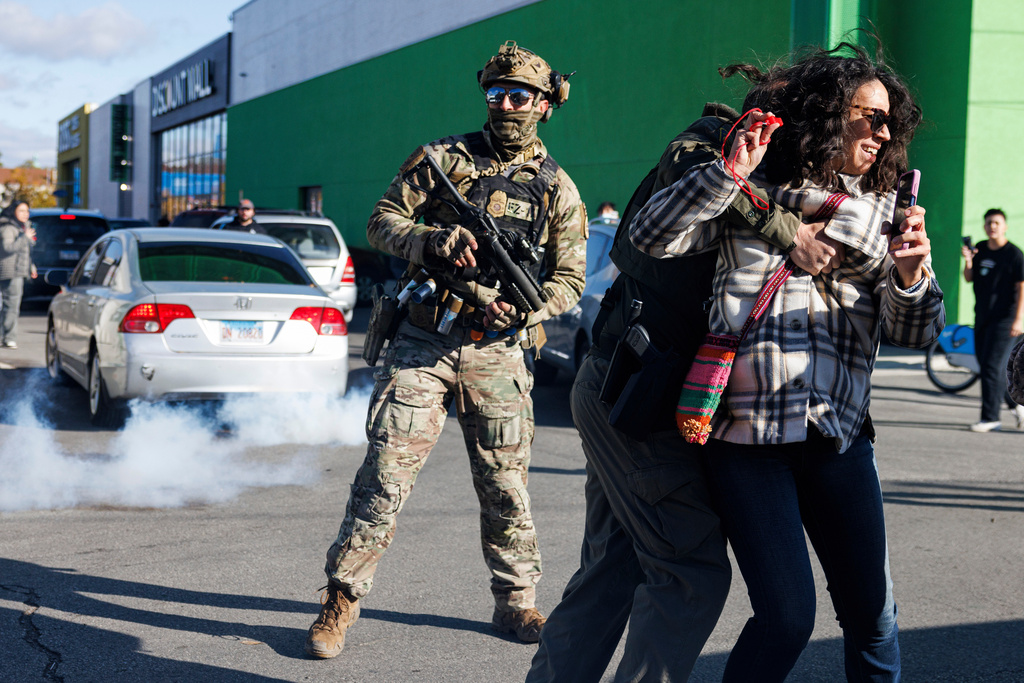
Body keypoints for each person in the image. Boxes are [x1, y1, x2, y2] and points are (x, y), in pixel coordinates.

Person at [628, 43, 943, 682]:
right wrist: (726, 174)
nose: (884, 134)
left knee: (872, 617)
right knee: (787, 618)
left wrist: (910, 275)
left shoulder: (886, 210)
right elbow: (650, 236)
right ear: (827, 113)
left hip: (839, 438)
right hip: (748, 443)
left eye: (890, 122)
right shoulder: (753, 191)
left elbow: (916, 331)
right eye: (870, 117)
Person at [527, 100, 847, 682]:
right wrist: (784, 228)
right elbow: (642, 235)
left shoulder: (804, 185)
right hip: (635, 393)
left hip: (638, 391)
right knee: (688, 572)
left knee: (613, 568)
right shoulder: (711, 145)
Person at [304, 40, 586, 659]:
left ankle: (516, 603)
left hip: (500, 353)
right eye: (497, 92)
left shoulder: (557, 188)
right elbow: (380, 220)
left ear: (544, 103)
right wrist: (431, 242)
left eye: (520, 95)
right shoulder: (441, 162)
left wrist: (524, 307)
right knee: (384, 476)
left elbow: (571, 281)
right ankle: (340, 602)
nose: (507, 104)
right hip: (425, 341)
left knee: (506, 484)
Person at [961, 208, 1024, 432]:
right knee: (987, 366)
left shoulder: (1014, 255)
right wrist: (968, 261)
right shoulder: (982, 249)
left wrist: (1019, 320)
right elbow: (969, 278)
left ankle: (990, 418)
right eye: (988, 223)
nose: (992, 226)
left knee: (991, 367)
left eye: (997, 222)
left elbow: (1022, 288)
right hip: (983, 316)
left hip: (1007, 319)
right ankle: (1016, 406)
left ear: (1005, 226)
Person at [0, 201, 37, 349]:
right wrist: (25, 238)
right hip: (9, 271)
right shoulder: (8, 228)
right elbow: (8, 248)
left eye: (27, 211)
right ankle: (9, 337)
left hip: (18, 270)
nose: (25, 214)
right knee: (11, 306)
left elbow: (24, 252)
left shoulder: (23, 227)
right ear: (13, 211)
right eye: (21, 211)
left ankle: (7, 335)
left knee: (10, 305)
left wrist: (31, 267)